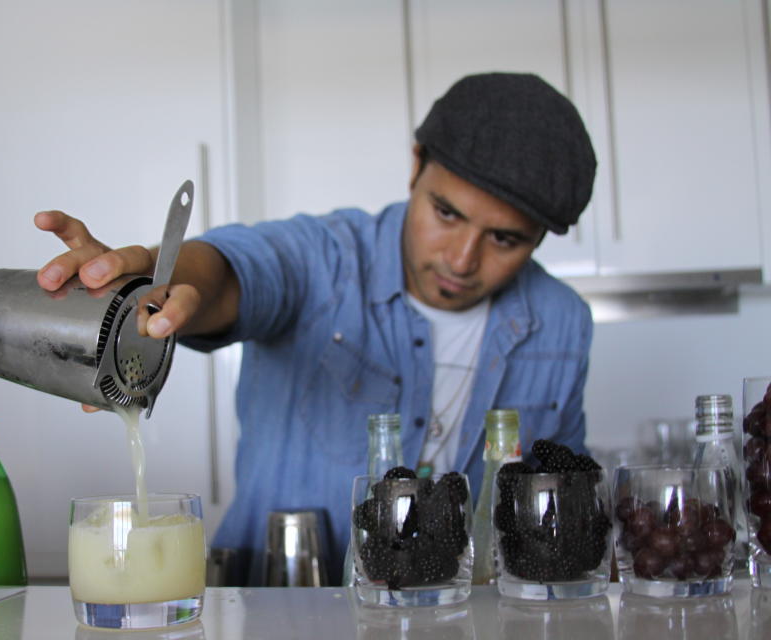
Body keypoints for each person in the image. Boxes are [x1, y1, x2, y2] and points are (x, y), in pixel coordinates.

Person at [34, 72, 597, 585]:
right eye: (446, 213)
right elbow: (236, 270)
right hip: (276, 609)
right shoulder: (326, 259)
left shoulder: (563, 324)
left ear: (541, 238)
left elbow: (558, 508)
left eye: (505, 239)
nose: (462, 258)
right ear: (416, 163)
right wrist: (157, 281)